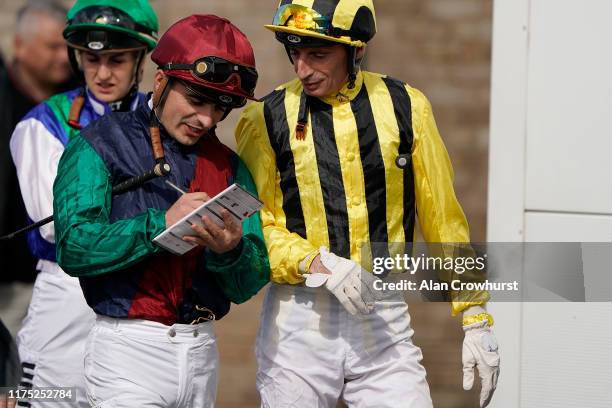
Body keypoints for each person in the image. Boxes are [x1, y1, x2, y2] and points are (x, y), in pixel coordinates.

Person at [235, 1, 500, 407]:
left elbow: (443, 217)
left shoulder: (408, 106)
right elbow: (257, 224)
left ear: (355, 50)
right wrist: (318, 263)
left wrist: (474, 313)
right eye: (295, 52)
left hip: (383, 316)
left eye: (318, 54)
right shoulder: (263, 119)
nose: (302, 68)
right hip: (299, 322)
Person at [53, 14, 270, 407]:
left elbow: (248, 282)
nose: (206, 118)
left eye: (220, 108)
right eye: (196, 99)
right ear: (160, 81)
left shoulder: (230, 166)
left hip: (202, 354)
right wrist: (159, 226)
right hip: (126, 353)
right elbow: (72, 246)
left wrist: (231, 251)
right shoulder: (97, 142)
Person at [9, 1, 159, 406]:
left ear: (141, 58)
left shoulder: (161, 119)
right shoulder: (43, 122)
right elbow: (58, 227)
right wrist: (155, 218)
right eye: (92, 59)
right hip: (65, 294)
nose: (104, 73)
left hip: (139, 301)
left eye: (117, 60)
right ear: (78, 56)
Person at [0, 0, 74, 337]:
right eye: (52, 46)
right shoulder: (5, 98)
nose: (63, 56)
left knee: (52, 389)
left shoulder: (81, 100)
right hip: (8, 276)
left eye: (66, 46)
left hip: (64, 279)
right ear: (20, 45)